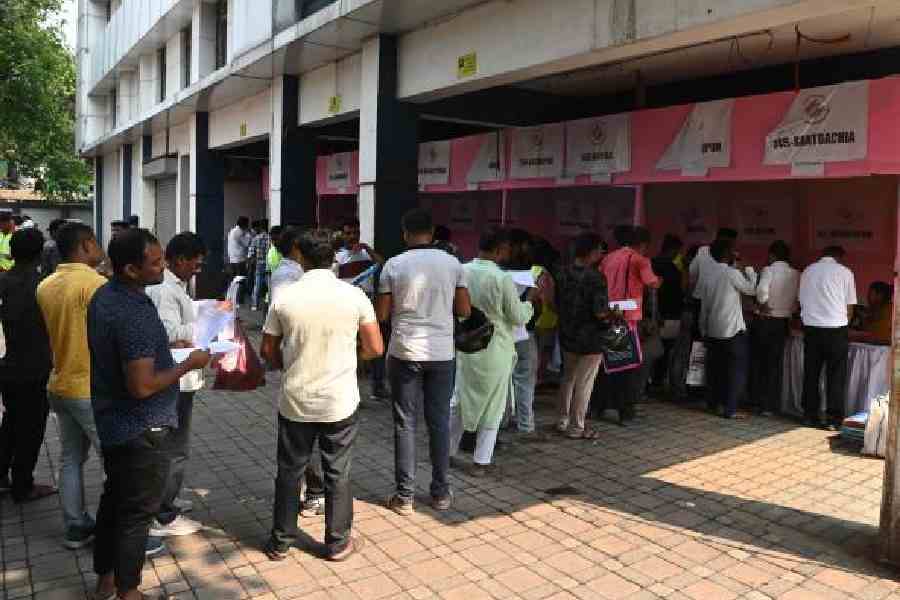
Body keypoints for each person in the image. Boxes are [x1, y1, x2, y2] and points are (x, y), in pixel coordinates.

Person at [88, 229, 210, 600]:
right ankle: (129, 591)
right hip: (142, 427)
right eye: (155, 263)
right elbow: (141, 385)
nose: (162, 267)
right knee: (136, 514)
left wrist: (166, 349)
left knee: (114, 501)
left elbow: (130, 355)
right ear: (130, 269)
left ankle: (106, 580)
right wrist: (188, 363)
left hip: (113, 421)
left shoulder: (105, 295)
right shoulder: (134, 311)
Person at [261, 229, 383, 562]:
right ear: (333, 258)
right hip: (339, 400)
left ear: (299, 255)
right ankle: (337, 542)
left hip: (296, 398)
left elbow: (268, 350)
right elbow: (375, 347)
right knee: (338, 472)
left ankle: (281, 541)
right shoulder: (354, 296)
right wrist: (351, 359)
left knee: (289, 472)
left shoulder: (285, 298)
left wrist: (288, 365)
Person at [376, 209, 471, 514]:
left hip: (404, 351)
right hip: (442, 352)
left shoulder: (393, 265)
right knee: (439, 422)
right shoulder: (453, 264)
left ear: (405, 233)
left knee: (405, 423)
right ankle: (441, 493)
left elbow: (382, 315)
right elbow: (464, 310)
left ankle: (404, 497)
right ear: (431, 233)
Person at [36, 223, 108, 550]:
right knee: (117, 462)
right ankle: (119, 532)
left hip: (60, 384)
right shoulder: (96, 285)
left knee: (70, 459)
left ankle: (76, 526)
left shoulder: (46, 285)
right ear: (87, 245)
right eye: (97, 243)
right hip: (90, 388)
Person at [451, 229, 534, 476]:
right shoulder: (502, 278)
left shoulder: (462, 270)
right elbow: (517, 316)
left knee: (460, 399)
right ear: (500, 250)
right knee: (494, 405)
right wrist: (530, 301)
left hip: (467, 344)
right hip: (495, 347)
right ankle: (481, 461)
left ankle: (446, 452)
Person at [146, 232, 211, 538]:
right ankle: (161, 514)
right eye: (195, 264)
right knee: (174, 448)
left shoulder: (176, 286)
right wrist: (208, 324)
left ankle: (166, 499)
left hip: (182, 375)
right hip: (174, 377)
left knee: (175, 446)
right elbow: (169, 332)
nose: (198, 269)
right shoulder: (164, 290)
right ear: (180, 260)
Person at [0, 228, 56, 503]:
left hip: (7, 366)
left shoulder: (3, 281)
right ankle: (23, 486)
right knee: (31, 429)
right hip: (34, 368)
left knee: (11, 422)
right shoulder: (43, 286)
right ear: (39, 253)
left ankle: (2, 476)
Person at [599, 226, 661, 422]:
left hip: (610, 313)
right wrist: (659, 280)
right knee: (628, 366)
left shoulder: (608, 258)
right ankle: (624, 410)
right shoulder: (640, 260)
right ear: (643, 244)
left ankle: (604, 405)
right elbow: (652, 283)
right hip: (628, 317)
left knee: (610, 363)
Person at [556, 233, 610, 439]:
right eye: (599, 250)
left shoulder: (562, 272)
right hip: (591, 338)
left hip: (567, 334)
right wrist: (614, 316)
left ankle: (562, 420)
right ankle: (576, 427)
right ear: (592, 252)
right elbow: (600, 312)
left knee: (567, 378)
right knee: (584, 383)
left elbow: (555, 303)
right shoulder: (597, 278)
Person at [798, 246, 857, 429]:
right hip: (836, 329)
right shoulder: (845, 272)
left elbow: (801, 300)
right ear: (839, 257)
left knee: (811, 373)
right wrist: (844, 324)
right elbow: (850, 306)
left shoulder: (808, 271)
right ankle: (833, 419)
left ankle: (809, 415)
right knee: (835, 376)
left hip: (811, 329)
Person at [700, 239, 758, 419]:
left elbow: (704, 306)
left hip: (713, 330)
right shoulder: (732, 273)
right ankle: (730, 409)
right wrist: (749, 270)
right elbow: (752, 290)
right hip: (732, 331)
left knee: (716, 370)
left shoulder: (707, 274)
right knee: (735, 371)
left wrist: (703, 329)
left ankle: (713, 404)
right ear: (728, 253)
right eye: (733, 250)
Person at [750, 240, 799, 416]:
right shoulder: (795, 273)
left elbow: (761, 291)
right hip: (783, 322)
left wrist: (763, 304)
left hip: (765, 320)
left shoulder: (768, 270)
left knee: (760, 362)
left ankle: (757, 402)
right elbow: (796, 299)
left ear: (772, 255)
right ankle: (771, 405)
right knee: (775, 364)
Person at [651, 235, 685, 387]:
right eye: (677, 251)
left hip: (655, 314)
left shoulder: (651, 263)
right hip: (668, 314)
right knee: (664, 350)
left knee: (655, 350)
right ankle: (657, 381)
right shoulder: (672, 268)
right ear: (673, 249)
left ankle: (652, 381)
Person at [689, 228, 738, 303]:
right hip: (717, 300)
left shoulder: (702, 250)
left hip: (701, 296)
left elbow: (692, 272)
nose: (732, 245)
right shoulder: (731, 256)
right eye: (730, 243)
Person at [334, 219, 383, 286]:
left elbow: (383, 265)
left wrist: (366, 247)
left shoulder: (367, 252)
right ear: (342, 235)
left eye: (356, 233)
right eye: (348, 233)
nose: (353, 236)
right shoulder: (336, 256)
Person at [227, 217, 252, 302]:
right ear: (244, 224)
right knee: (241, 280)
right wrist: (248, 234)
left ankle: (232, 298)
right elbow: (246, 243)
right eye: (247, 224)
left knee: (234, 280)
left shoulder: (232, 231)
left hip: (232, 260)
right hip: (239, 260)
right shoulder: (239, 232)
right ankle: (239, 299)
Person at [248, 220, 271, 311]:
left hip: (259, 264)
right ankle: (270, 303)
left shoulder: (255, 239)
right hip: (268, 264)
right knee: (269, 285)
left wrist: (251, 262)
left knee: (257, 285)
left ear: (260, 227)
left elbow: (250, 253)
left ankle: (255, 305)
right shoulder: (270, 238)